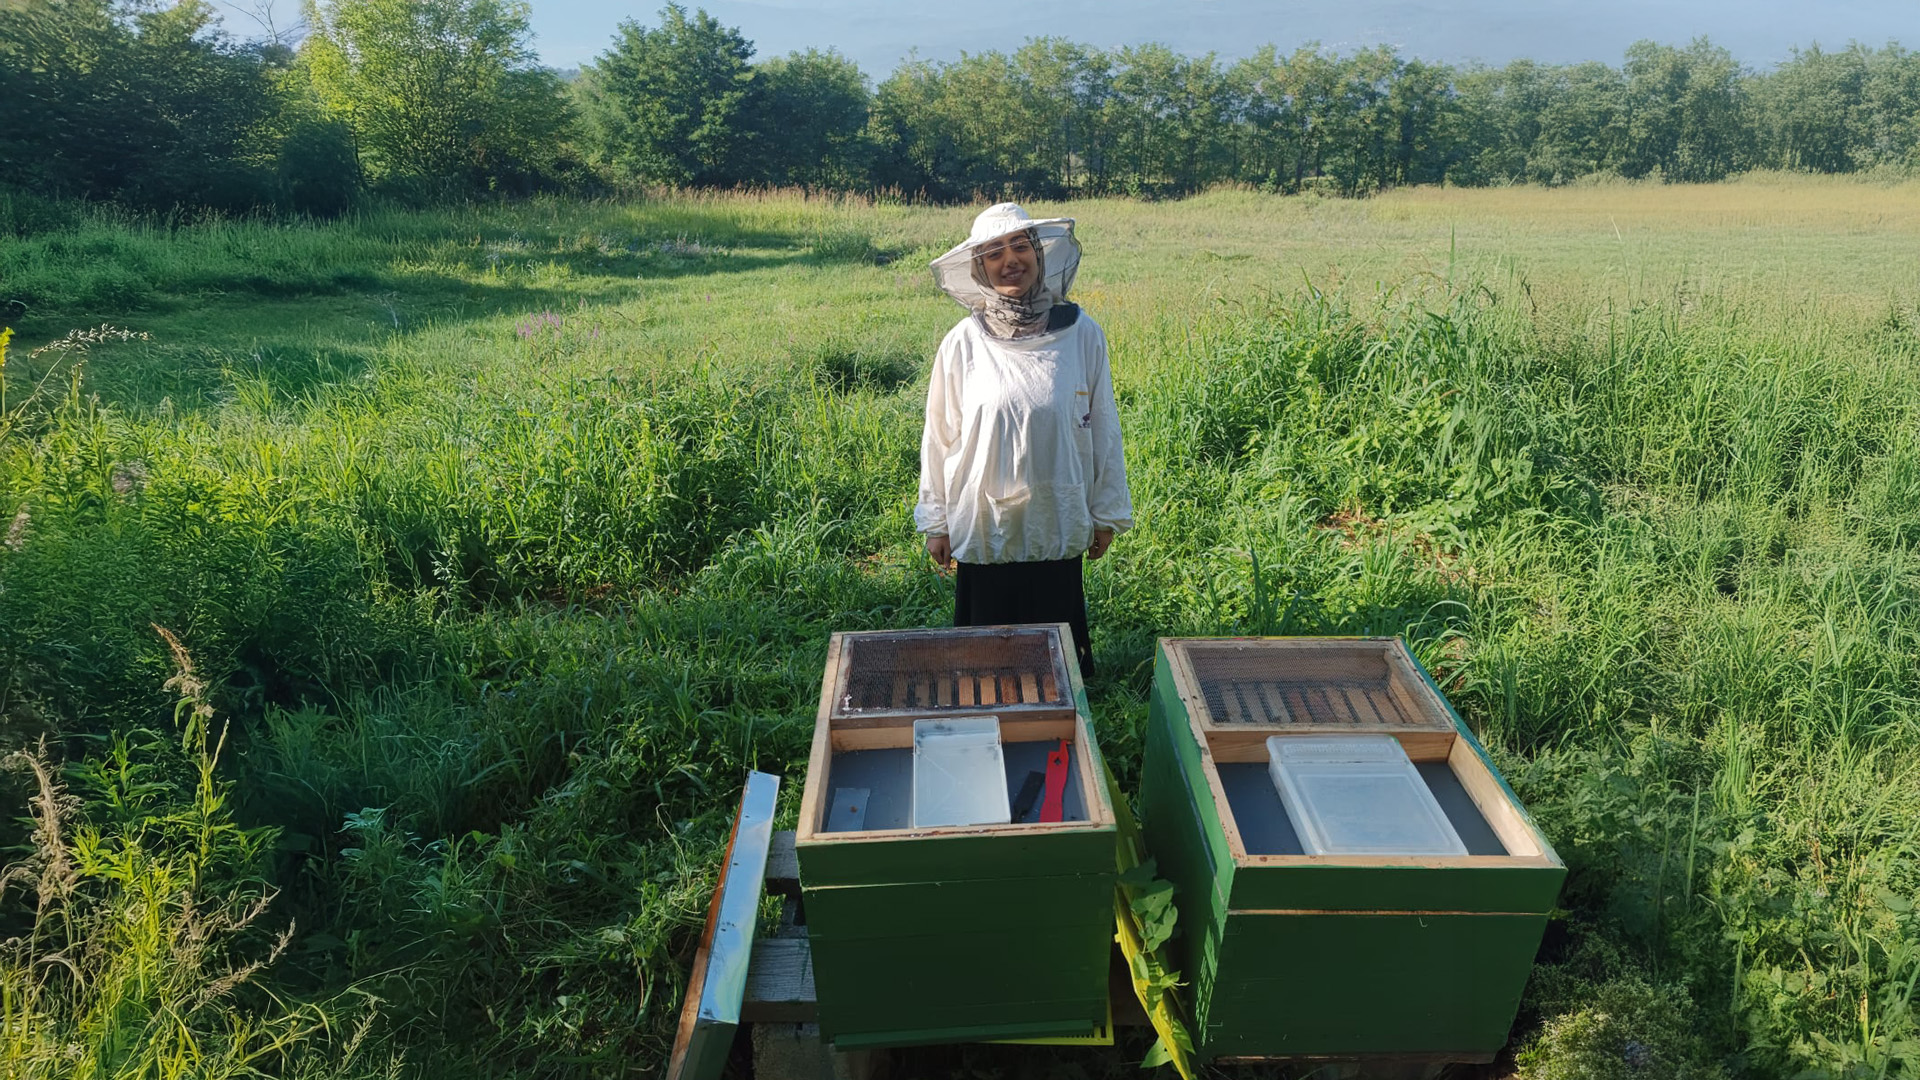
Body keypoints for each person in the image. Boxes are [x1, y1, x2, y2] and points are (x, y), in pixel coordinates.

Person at [914, 203, 1134, 676]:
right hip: (984, 521)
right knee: (983, 668)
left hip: (1056, 514)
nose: (1009, 261)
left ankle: (1058, 720)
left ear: (1039, 253)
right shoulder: (962, 343)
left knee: (1054, 663)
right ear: (980, 267)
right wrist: (936, 521)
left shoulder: (1082, 334)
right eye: (994, 253)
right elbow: (939, 435)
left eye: (1019, 247)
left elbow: (1104, 428)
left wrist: (1107, 513)